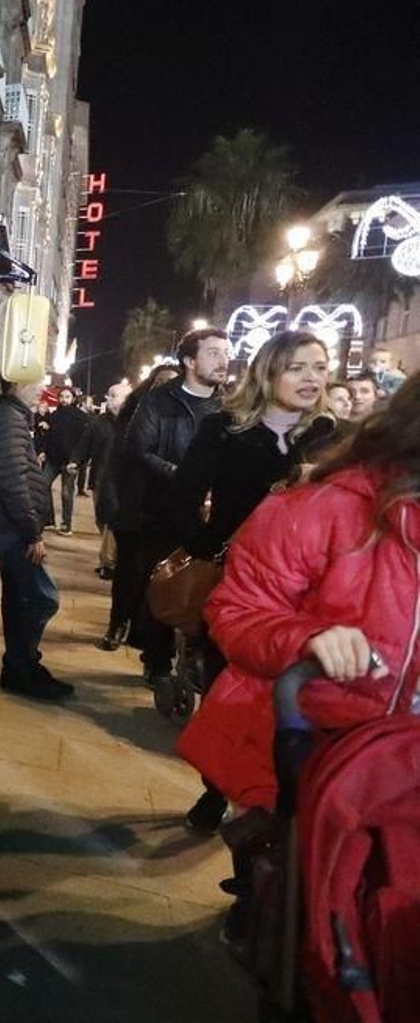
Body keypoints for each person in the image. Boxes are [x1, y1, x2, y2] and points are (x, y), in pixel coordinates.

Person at [178, 374, 420, 824]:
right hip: (309, 759)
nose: (311, 377)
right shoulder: (324, 508)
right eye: (298, 367)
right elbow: (237, 609)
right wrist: (308, 640)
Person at [166, 330, 337, 833]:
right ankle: (217, 787)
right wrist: (210, 551)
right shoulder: (224, 429)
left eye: (319, 367)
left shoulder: (334, 436)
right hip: (239, 592)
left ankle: (272, 807)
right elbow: (181, 499)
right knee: (230, 691)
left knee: (294, 699)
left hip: (310, 595)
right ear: (268, 371)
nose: (311, 378)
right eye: (297, 367)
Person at [126, 328, 231, 684]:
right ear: (190, 361)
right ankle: (157, 662)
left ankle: (197, 660)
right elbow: (139, 450)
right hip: (163, 511)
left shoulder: (230, 406)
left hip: (214, 515)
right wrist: (184, 477)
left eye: (225, 352)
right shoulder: (159, 401)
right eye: (213, 353)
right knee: (161, 585)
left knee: (208, 588)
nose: (223, 360)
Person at [0, 378, 73, 700]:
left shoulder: (6, 415)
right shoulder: (7, 418)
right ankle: (21, 667)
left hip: (6, 524)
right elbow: (11, 481)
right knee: (39, 598)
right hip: (11, 527)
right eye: (36, 381)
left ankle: (22, 666)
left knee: (21, 598)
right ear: (17, 382)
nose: (41, 388)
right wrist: (31, 532)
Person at [96, 365, 180, 650]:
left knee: (154, 575)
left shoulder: (181, 418)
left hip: (165, 510)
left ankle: (142, 631)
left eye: (172, 382)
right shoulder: (132, 417)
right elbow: (113, 465)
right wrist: (111, 504)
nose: (166, 387)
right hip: (131, 507)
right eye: (161, 381)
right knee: (128, 571)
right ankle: (118, 624)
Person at [39, 386, 89, 535]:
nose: (63, 400)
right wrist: (43, 451)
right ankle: (48, 519)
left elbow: (83, 441)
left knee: (67, 493)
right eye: (61, 396)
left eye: (67, 397)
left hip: (70, 461)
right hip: (53, 459)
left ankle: (66, 524)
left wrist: (77, 460)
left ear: (73, 399)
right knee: (43, 484)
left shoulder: (81, 417)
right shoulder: (54, 415)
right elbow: (48, 436)